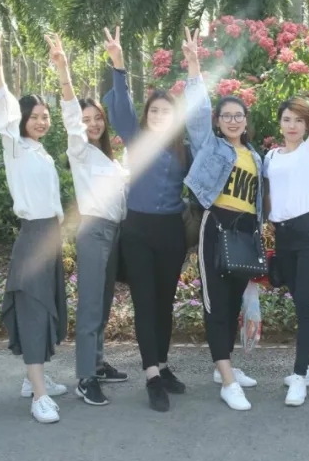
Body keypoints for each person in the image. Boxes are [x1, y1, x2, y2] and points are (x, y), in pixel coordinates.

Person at [0, 31, 69, 423]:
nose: (41, 121)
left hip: (50, 236)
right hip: (33, 236)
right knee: (35, 311)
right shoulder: (15, 146)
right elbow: (2, 109)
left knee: (47, 309)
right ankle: (39, 396)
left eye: (45, 116)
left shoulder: (40, 151)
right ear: (21, 120)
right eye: (34, 116)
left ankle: (33, 379)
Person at [179, 29, 266, 411]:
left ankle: (223, 367)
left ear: (246, 121)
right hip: (216, 227)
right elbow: (196, 115)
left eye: (238, 116)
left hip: (245, 231)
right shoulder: (210, 145)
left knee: (232, 302)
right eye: (226, 116)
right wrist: (194, 66)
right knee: (216, 303)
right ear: (219, 122)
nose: (233, 120)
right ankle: (228, 380)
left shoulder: (255, 156)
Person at [104, 28, 188, 412]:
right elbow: (120, 108)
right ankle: (152, 375)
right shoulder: (135, 138)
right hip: (137, 231)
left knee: (165, 302)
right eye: (153, 110)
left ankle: (164, 365)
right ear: (147, 115)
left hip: (171, 232)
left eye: (165, 111)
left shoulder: (183, 149)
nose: (158, 115)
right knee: (145, 303)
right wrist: (118, 64)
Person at [264, 44, 309, 407]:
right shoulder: (270, 157)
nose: (292, 125)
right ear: (280, 123)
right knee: (300, 304)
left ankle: (300, 376)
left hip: (307, 235)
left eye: (298, 120)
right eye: (286, 119)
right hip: (282, 237)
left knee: (305, 305)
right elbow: (267, 199)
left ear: (306, 126)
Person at [62, 29, 129, 405]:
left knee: (103, 302)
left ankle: (98, 363)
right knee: (90, 305)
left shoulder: (107, 158)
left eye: (97, 118)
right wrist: (64, 71)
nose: (92, 124)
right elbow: (71, 118)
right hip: (94, 230)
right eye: (86, 119)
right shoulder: (80, 152)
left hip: (114, 232)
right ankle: (85, 377)